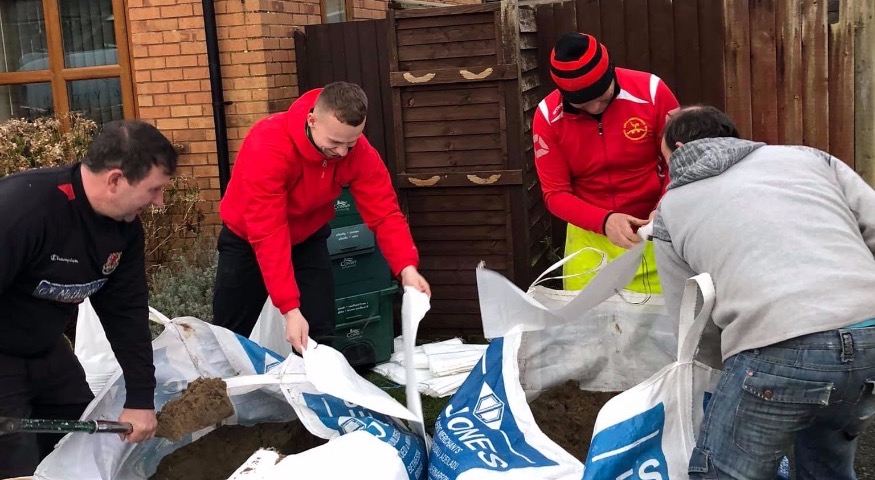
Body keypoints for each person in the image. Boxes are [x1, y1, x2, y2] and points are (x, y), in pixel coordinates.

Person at [652, 105, 875, 479]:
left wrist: (728, 375)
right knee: (826, 465)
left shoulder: (670, 209)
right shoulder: (811, 159)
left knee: (722, 472)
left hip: (776, 348)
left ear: (678, 148)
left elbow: (691, 322)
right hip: (869, 335)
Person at [0, 120, 176, 477]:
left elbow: (126, 313)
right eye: (154, 189)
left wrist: (140, 399)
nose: (159, 201)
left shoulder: (125, 229)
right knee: (17, 464)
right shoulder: (23, 210)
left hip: (47, 350)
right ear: (115, 180)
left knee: (82, 446)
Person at [213, 81, 430, 353]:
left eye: (351, 143)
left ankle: (313, 380)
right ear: (312, 120)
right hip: (247, 238)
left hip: (308, 236)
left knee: (318, 333)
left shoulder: (357, 152)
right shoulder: (267, 144)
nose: (342, 152)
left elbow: (385, 212)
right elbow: (269, 232)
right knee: (230, 334)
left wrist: (406, 268)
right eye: (335, 142)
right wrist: (290, 309)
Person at [533, 32, 679, 292]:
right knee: (585, 317)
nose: (594, 109)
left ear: (612, 73)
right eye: (582, 105)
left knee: (661, 316)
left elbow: (679, 162)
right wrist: (605, 221)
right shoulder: (547, 116)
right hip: (589, 242)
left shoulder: (652, 91)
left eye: (601, 97)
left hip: (654, 231)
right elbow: (555, 193)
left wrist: (664, 208)